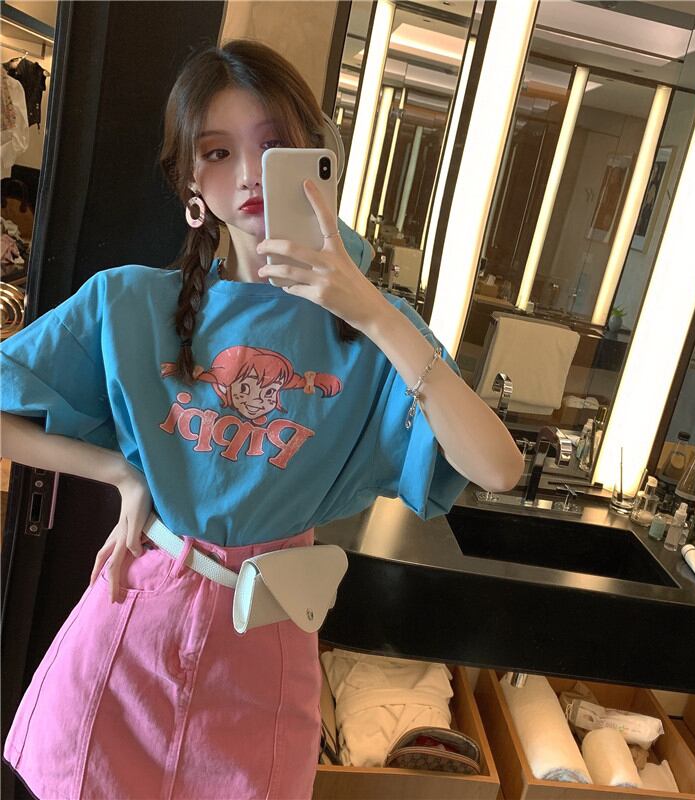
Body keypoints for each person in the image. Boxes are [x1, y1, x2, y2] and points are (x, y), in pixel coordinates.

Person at [0, 40, 523, 800]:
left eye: (273, 145)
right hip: (128, 639)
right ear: (189, 180)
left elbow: (497, 468)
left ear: (318, 155)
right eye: (217, 152)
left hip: (263, 651)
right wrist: (121, 473)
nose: (248, 173)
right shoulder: (130, 302)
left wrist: (375, 313)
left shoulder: (369, 331)